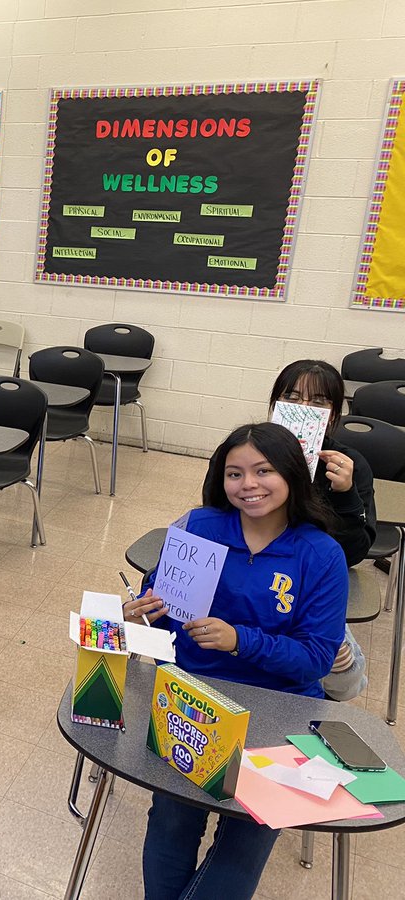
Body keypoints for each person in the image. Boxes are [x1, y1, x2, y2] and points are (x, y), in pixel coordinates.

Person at [124, 422, 348, 900]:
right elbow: (169, 620)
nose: (248, 485)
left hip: (279, 711)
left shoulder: (321, 554)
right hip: (193, 698)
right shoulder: (199, 528)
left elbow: (316, 660)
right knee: (171, 820)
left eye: (263, 470)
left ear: (292, 474)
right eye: (234, 473)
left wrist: (240, 641)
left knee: (247, 839)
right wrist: (144, 610)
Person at [269, 359, 376, 700]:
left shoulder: (348, 465)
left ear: (333, 415)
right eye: (292, 397)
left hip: (311, 578)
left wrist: (345, 495)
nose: (303, 408)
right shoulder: (248, 451)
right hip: (254, 567)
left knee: (342, 675)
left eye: (318, 402)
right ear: (275, 405)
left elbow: (356, 552)